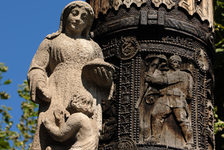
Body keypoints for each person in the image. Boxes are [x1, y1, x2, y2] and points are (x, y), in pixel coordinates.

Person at [27, 1, 114, 150]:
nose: (78, 18)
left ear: (88, 23)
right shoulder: (51, 41)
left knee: (85, 133)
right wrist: (40, 83)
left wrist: (104, 78)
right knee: (53, 129)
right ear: (65, 16)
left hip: (85, 94)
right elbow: (37, 67)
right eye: (75, 14)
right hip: (57, 91)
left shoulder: (94, 47)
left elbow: (105, 77)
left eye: (84, 17)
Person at [145, 55, 193, 145]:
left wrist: (150, 79)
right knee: (155, 114)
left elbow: (165, 81)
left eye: (178, 62)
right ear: (170, 63)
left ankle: (190, 142)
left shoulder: (183, 74)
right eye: (174, 62)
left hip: (178, 99)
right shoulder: (166, 73)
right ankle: (155, 138)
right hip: (165, 98)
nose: (177, 64)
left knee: (182, 120)